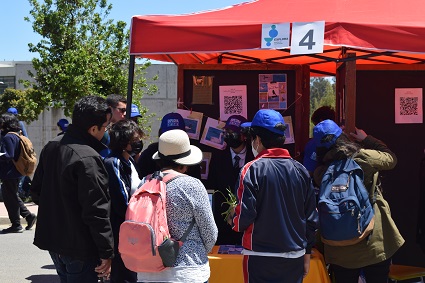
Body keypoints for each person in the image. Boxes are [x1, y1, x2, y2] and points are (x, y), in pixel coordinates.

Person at [30, 96, 114, 282]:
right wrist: (106, 252)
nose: (106, 131)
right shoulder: (89, 158)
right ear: (93, 129)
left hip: (55, 243)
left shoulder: (52, 146)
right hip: (80, 248)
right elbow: (96, 211)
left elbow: (36, 192)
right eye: (106, 127)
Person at [230, 109, 319, 283]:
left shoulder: (251, 170)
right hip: (295, 256)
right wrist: (307, 252)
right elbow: (312, 218)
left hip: (260, 256)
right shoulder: (300, 170)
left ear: (257, 140)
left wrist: (233, 216)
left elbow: (242, 220)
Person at [313, 119, 404, 283]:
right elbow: (391, 158)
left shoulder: (321, 172)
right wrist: (365, 138)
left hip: (338, 247)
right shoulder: (363, 159)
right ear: (342, 137)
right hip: (372, 241)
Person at [137, 129, 218, 283]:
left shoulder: (144, 182)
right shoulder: (191, 185)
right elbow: (210, 233)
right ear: (184, 163)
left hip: (148, 270)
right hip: (187, 270)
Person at [103, 119, 144, 283]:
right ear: (122, 142)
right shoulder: (114, 162)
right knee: (123, 274)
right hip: (122, 228)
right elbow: (121, 199)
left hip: (132, 226)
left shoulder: (130, 160)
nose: (138, 143)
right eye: (134, 140)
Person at [207, 114, 254, 245]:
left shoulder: (255, 157)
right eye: (227, 131)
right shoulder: (218, 158)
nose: (229, 135)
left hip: (249, 223)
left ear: (244, 135)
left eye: (233, 132)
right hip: (223, 224)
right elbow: (213, 189)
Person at [0, 113, 36, 233]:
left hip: (10, 172)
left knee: (10, 197)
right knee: (11, 196)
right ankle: (28, 216)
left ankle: (16, 225)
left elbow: (8, 155)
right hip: (14, 172)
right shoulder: (16, 135)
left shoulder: (8, 137)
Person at [137, 112, 201, 179]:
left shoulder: (190, 154)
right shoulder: (149, 153)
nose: (172, 139)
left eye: (176, 134)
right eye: (168, 136)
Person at [303, 105, 336, 175]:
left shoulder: (313, 144)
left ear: (321, 122)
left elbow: (308, 172)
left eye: (315, 125)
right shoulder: (342, 141)